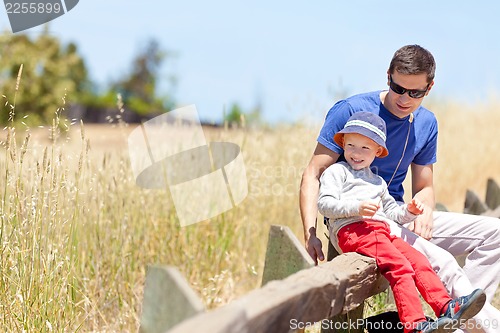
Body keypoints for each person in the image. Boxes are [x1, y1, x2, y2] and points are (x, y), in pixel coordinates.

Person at [299, 44, 500, 333]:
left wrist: (424, 208)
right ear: (388, 77)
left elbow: (424, 186)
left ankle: (462, 323)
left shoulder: (427, 123)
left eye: (415, 92)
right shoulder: (352, 110)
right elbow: (313, 173)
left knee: (495, 233)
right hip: (358, 219)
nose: (404, 98)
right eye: (398, 88)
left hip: (397, 212)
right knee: (442, 260)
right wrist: (311, 232)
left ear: (429, 88)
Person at [318, 111, 486, 333]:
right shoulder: (337, 172)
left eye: (364, 148)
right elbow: (324, 204)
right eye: (350, 146)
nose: (356, 153)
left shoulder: (377, 182)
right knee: (400, 267)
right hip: (354, 230)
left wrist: (409, 211)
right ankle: (414, 324)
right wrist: (355, 208)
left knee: (419, 260)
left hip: (381, 230)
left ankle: (445, 306)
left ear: (378, 152)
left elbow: (392, 213)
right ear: (343, 145)